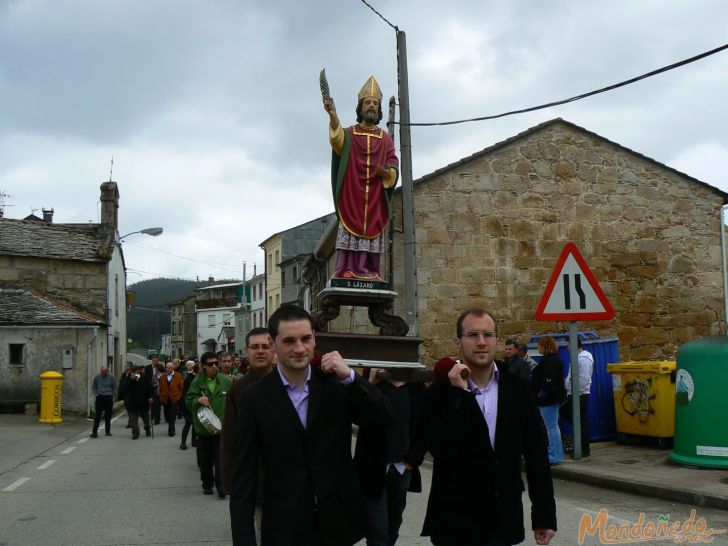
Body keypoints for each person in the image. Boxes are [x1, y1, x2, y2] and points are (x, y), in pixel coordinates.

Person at [230, 305, 394, 546]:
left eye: (306, 339)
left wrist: (350, 376)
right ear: (274, 344)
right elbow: (244, 475)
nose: (299, 348)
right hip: (286, 526)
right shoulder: (254, 398)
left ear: (314, 340)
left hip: (338, 523)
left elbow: (384, 418)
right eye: (289, 341)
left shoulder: (335, 385)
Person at [410, 309, 556, 546]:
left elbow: (537, 454)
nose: (481, 342)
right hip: (456, 525)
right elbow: (442, 450)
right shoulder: (439, 394)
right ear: (458, 342)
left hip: (502, 521)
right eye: (472, 335)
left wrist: (544, 516)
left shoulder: (518, 389)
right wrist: (460, 394)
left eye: (488, 334)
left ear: (497, 340)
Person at [323, 75, 399, 280]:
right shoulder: (350, 133)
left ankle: (370, 270)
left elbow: (393, 162)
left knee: (372, 228)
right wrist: (333, 116)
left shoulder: (385, 138)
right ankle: (346, 269)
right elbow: (338, 142)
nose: (372, 106)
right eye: (368, 102)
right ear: (360, 107)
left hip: (374, 196)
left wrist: (388, 173)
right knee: (350, 226)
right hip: (353, 193)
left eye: (375, 103)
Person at [354, 369, 423, 546]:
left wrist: (412, 460)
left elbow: (423, 425)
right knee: (378, 530)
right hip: (373, 467)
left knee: (393, 525)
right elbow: (359, 417)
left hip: (402, 467)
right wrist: (369, 385)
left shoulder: (415, 386)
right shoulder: (374, 382)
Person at [220, 327, 277, 542]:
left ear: (274, 349)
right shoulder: (238, 390)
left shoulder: (288, 385)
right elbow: (229, 439)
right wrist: (229, 482)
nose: (260, 351)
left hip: (285, 479)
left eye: (265, 346)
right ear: (246, 351)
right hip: (252, 479)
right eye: (255, 347)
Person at [186, 352, 233, 497]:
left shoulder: (225, 381)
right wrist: (197, 400)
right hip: (204, 429)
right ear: (203, 366)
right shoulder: (197, 382)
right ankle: (207, 483)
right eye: (210, 364)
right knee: (205, 460)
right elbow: (188, 400)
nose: (214, 366)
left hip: (221, 428)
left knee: (221, 459)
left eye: (215, 363)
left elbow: (234, 402)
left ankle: (221, 486)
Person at [533, 336, 567, 465]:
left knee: (551, 427)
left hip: (548, 401)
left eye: (539, 346)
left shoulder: (549, 361)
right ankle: (554, 453)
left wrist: (540, 396)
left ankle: (554, 455)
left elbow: (548, 383)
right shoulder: (551, 359)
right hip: (549, 400)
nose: (538, 348)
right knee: (552, 427)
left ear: (544, 346)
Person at [560, 338, 594, 457]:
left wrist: (575, 392)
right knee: (574, 418)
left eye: (568, 345)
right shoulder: (577, 358)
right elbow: (571, 377)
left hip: (579, 395)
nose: (567, 348)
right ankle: (580, 445)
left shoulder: (584, 359)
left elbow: (583, 380)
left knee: (581, 421)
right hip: (572, 394)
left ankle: (584, 448)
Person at [118, 365, 154, 439]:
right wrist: (131, 380)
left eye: (137, 371)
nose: (136, 373)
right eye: (134, 372)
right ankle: (135, 433)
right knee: (133, 418)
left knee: (146, 418)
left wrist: (150, 397)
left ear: (139, 371)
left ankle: (147, 428)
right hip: (133, 402)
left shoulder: (144, 378)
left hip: (143, 402)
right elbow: (124, 388)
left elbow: (150, 388)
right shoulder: (128, 378)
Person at [90, 366, 118, 438]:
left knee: (108, 415)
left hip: (108, 397)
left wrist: (113, 396)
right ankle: (94, 432)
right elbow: (93, 387)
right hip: (100, 397)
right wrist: (96, 394)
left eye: (105, 372)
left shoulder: (111, 377)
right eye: (102, 372)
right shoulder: (97, 377)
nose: (103, 373)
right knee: (97, 416)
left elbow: (115, 387)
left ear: (107, 371)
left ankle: (107, 431)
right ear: (100, 371)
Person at [159, 361, 184, 437]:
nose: (168, 369)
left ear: (173, 368)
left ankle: (171, 430)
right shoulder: (163, 376)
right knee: (167, 415)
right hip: (165, 398)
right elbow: (160, 387)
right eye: (167, 368)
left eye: (169, 368)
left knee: (172, 415)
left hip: (174, 398)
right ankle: (170, 426)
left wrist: (179, 396)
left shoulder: (178, 375)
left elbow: (181, 387)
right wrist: (161, 395)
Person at [180, 360, 198, 450]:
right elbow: (185, 393)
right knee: (188, 422)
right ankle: (183, 442)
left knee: (195, 424)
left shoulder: (198, 377)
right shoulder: (188, 378)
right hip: (188, 404)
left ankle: (194, 441)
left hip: (196, 404)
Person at [119, 363, 134, 428]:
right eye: (125, 366)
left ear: (130, 367)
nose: (125, 367)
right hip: (125, 394)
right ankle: (131, 420)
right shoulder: (123, 374)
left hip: (132, 394)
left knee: (131, 408)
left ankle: (131, 422)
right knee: (128, 407)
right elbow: (121, 383)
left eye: (127, 366)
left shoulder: (134, 374)